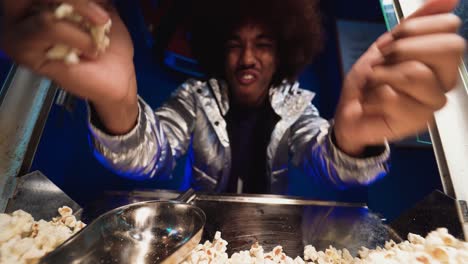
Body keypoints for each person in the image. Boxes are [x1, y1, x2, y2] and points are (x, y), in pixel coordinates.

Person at [1, 0, 465, 194]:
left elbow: (326, 158)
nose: (248, 58)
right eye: (234, 43)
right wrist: (118, 101)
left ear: (282, 50)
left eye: (263, 44)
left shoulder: (297, 106)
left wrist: (351, 140)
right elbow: (149, 152)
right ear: (215, 50)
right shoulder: (193, 98)